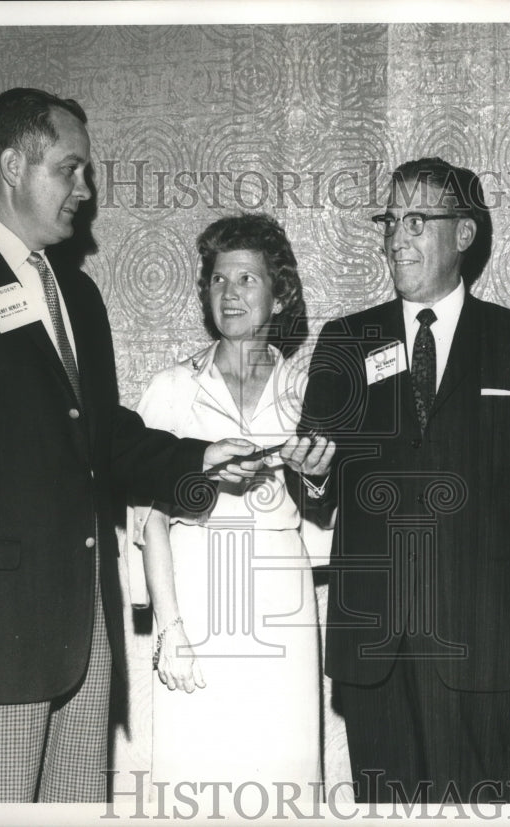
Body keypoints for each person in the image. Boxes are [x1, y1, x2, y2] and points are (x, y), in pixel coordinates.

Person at [0, 87, 263, 803]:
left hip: (82, 639)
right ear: (13, 165)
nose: (88, 189)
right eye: (70, 169)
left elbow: (101, 436)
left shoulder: (78, 296)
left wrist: (197, 457)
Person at [289, 157, 510, 803]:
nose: (396, 237)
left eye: (417, 220)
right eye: (391, 220)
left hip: (479, 631)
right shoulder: (346, 340)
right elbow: (313, 481)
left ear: (464, 233)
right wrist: (317, 475)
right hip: (373, 640)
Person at [122, 213, 334, 810]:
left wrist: (318, 478)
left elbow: (324, 504)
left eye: (247, 279)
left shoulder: (307, 391)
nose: (231, 294)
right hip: (196, 600)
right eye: (218, 280)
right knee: (196, 778)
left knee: (283, 778)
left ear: (279, 293)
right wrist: (171, 630)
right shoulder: (172, 389)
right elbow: (150, 519)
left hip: (281, 606)